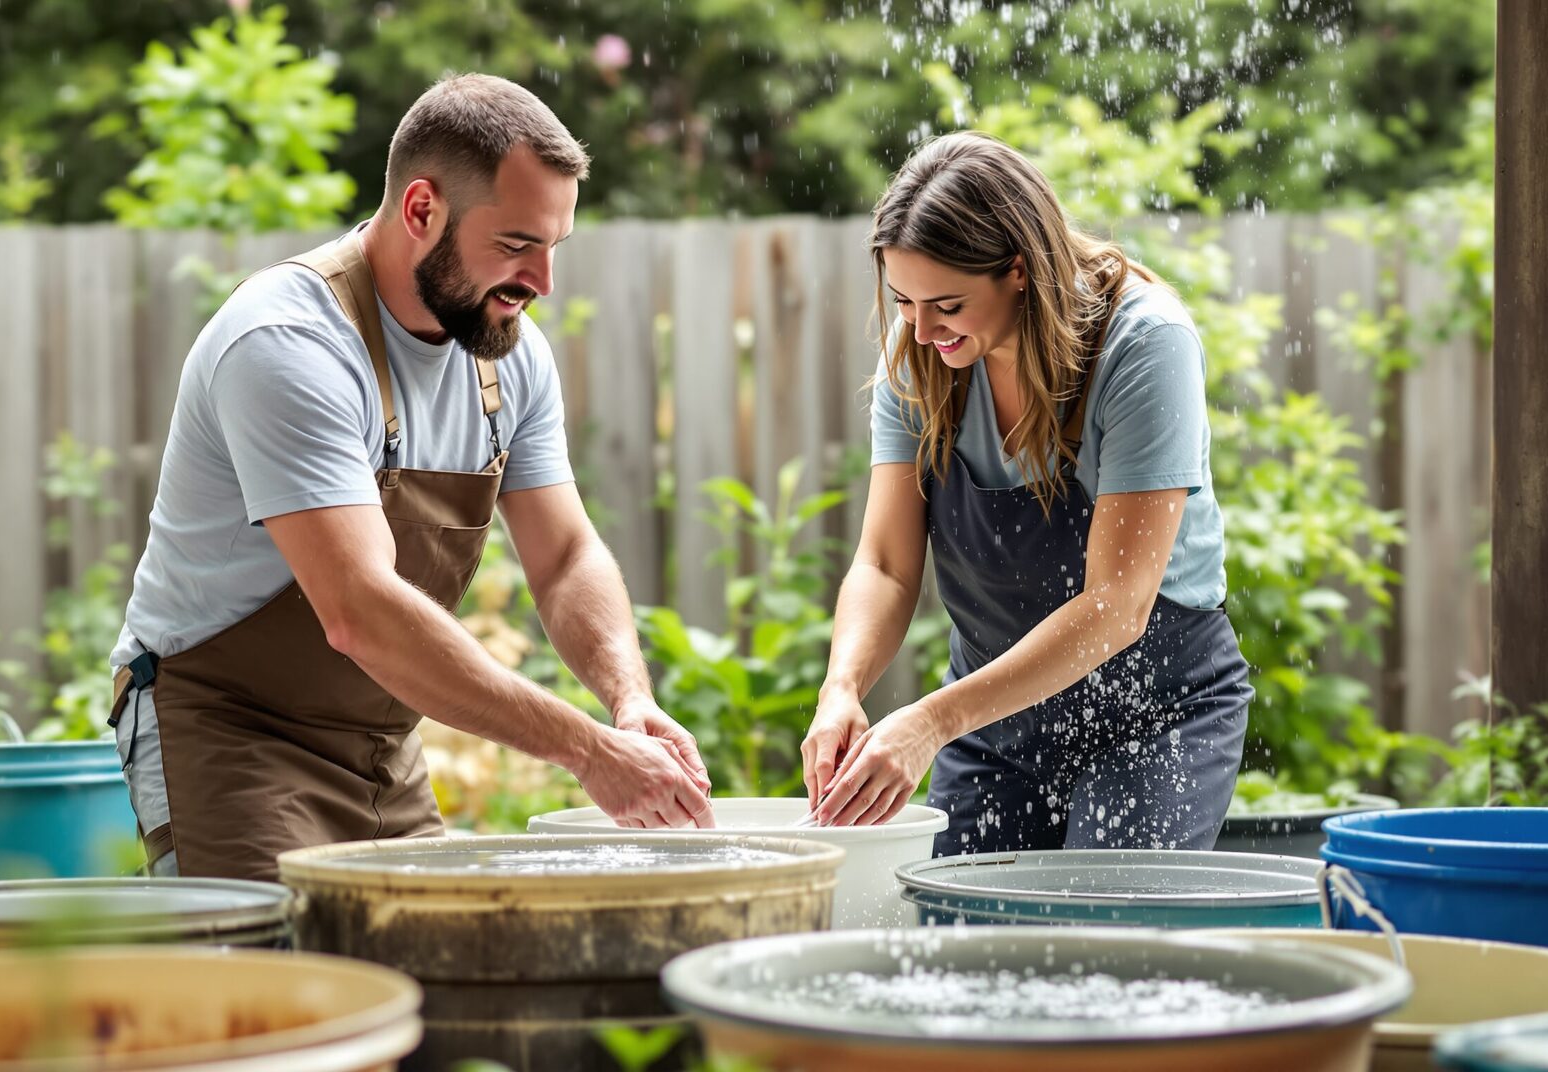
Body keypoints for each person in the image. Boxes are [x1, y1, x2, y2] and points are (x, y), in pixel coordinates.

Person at [108, 74, 714, 882]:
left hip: (381, 738)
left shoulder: (509, 352)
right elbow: (359, 610)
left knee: (427, 968)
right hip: (228, 726)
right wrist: (586, 750)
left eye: (553, 247)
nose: (542, 283)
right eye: (515, 246)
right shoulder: (288, 342)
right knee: (280, 984)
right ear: (421, 210)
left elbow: (566, 557)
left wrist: (627, 702)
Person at [801, 131, 1251, 854]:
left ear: (1018, 270)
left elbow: (1117, 605)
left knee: (1101, 941)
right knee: (958, 944)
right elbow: (885, 565)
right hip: (993, 727)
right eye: (904, 302)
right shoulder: (920, 357)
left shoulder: (1143, 343)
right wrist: (842, 687)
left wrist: (931, 721)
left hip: (1153, 716)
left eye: (945, 303)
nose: (920, 330)